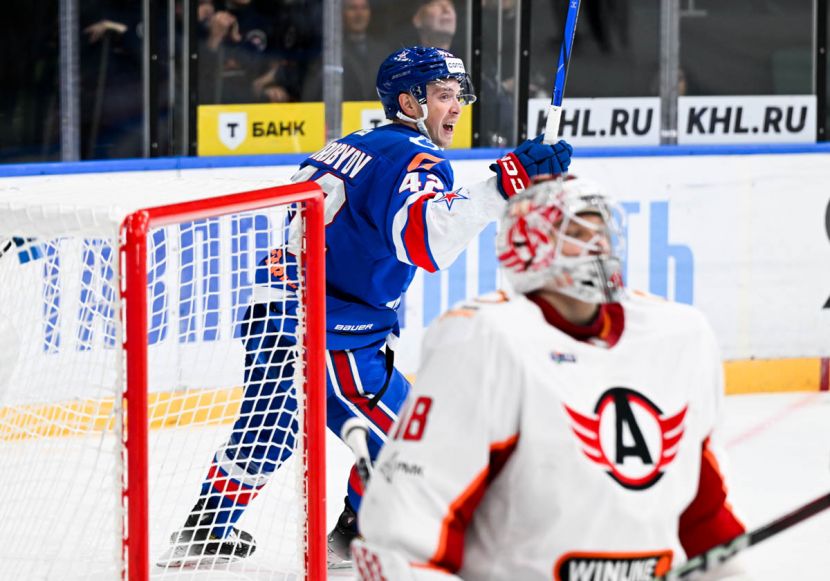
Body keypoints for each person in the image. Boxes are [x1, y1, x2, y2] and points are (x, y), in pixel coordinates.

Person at [157, 45, 573, 569]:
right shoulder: (417, 158)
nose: (455, 107)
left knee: (269, 429)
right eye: (443, 96)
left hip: (280, 304)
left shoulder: (349, 144)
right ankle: (351, 537)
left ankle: (206, 529)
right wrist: (502, 185)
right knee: (414, 433)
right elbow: (424, 240)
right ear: (410, 102)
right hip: (331, 327)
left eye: (457, 96)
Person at [352, 176, 748, 580]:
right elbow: (413, 524)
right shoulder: (486, 340)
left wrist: (727, 570)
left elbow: (705, 511)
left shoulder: (676, 336)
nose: (598, 245)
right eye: (576, 232)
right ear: (529, 246)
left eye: (601, 232)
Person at [301, 0, 387, 102]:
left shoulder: (382, 51)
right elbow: (311, 94)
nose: (359, 14)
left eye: (364, 8)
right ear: (342, 14)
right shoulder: (329, 51)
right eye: (353, 8)